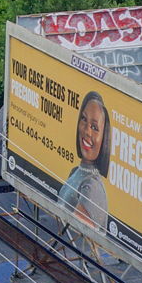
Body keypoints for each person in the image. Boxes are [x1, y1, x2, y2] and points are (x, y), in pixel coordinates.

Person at [57, 91, 111, 227]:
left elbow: (75, 236)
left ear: (104, 137)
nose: (87, 131)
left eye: (94, 127)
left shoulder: (92, 186)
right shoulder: (75, 171)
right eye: (83, 119)